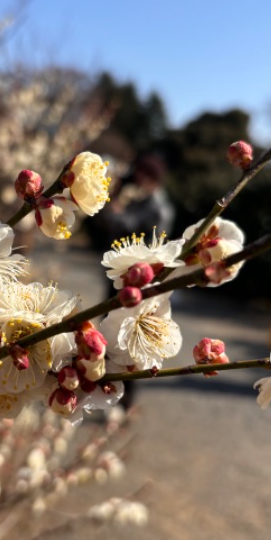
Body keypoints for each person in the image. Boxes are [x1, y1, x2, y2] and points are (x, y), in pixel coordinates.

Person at [85, 153, 175, 409]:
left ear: (153, 179)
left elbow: (134, 233)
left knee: (131, 341)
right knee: (108, 330)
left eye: (143, 176)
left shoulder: (157, 207)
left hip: (137, 281)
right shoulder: (142, 198)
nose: (137, 179)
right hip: (121, 275)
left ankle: (125, 399)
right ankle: (104, 388)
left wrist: (114, 213)